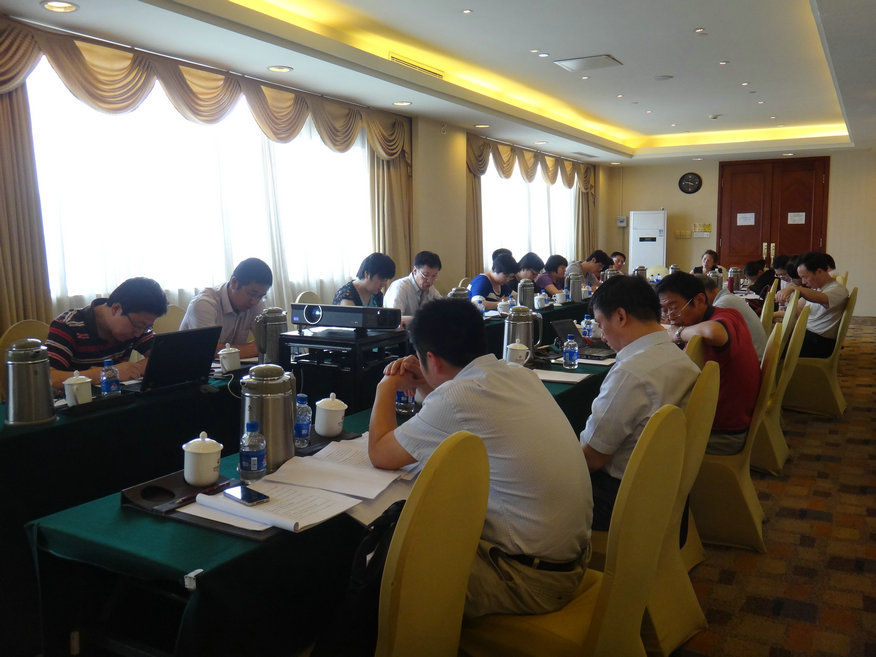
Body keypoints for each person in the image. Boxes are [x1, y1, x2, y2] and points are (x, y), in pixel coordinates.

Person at [368, 298, 592, 618]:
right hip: (571, 561)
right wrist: (431, 382)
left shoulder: (458, 397)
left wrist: (386, 385)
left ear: (431, 359)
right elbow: (453, 414)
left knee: (391, 565)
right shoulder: (517, 373)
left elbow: (380, 452)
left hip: (531, 582)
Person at [580, 276, 699, 530]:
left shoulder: (631, 373)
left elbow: (591, 459)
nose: (602, 336)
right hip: (666, 487)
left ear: (620, 316)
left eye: (601, 323)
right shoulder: (682, 359)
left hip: (621, 498)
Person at [657, 272, 761, 455]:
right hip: (731, 421)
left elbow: (714, 332)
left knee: (640, 438)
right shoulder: (728, 313)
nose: (669, 316)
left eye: (673, 308)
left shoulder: (721, 320)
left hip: (723, 434)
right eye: (663, 310)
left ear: (699, 300)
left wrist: (677, 333)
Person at [47, 277, 168, 388]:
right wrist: (108, 373)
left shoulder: (138, 326)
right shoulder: (68, 326)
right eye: (138, 326)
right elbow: (49, 377)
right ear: (116, 308)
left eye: (146, 328)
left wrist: (134, 369)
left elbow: (161, 357)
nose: (138, 334)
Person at [180, 257, 272, 358]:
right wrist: (253, 348)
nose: (254, 302)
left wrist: (259, 346)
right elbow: (209, 349)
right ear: (234, 283)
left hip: (231, 366)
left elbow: (269, 340)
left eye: (260, 296)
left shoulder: (256, 303)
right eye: (251, 294)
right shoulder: (204, 304)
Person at [775, 251, 849, 358]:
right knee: (773, 343)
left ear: (819, 271)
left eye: (805, 277)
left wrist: (794, 288)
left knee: (773, 353)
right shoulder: (817, 289)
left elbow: (822, 298)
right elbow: (799, 309)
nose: (803, 282)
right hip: (808, 335)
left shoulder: (837, 289)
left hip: (819, 342)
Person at [697, 274, 767, 359]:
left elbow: (711, 334)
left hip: (755, 359)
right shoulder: (727, 298)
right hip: (758, 354)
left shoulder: (722, 304)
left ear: (702, 295)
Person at [383, 250, 443, 326]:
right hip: (398, 333)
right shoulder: (400, 287)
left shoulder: (431, 289)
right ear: (415, 271)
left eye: (434, 276)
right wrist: (423, 320)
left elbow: (443, 309)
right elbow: (393, 319)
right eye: (425, 275)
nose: (430, 281)